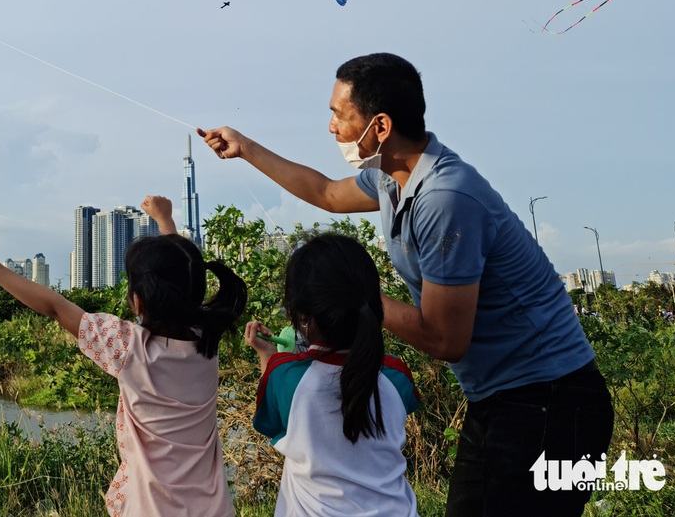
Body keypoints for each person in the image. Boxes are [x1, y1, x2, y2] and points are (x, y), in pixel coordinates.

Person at [200, 53, 613, 516]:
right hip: (499, 399)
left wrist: (353, 292)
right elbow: (326, 193)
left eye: (339, 114)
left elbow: (445, 338)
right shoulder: (391, 179)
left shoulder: (443, 198)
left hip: (552, 402)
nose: (331, 128)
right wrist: (246, 148)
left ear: (379, 126)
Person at [0, 195, 248, 517]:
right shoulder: (207, 339)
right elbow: (182, 270)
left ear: (137, 302)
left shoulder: (129, 346)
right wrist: (164, 220)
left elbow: (58, 308)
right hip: (213, 509)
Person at [245, 232, 419, 516]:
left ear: (302, 315)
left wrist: (266, 354)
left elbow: (279, 411)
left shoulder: (284, 375)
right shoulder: (397, 375)